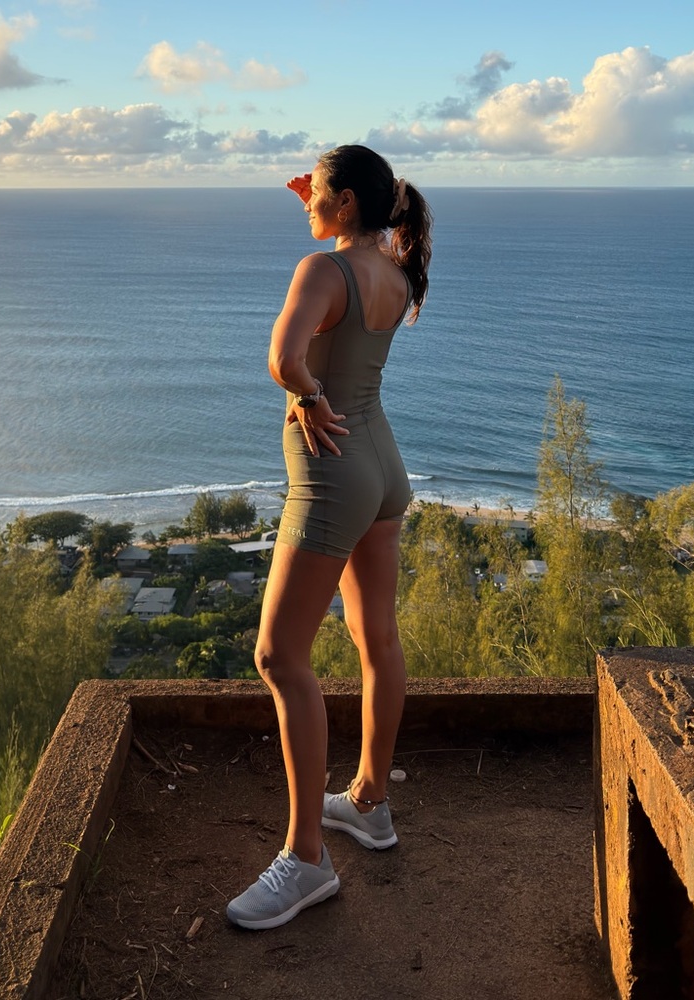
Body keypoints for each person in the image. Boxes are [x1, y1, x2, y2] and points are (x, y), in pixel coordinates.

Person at [226, 145, 432, 930]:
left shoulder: (322, 271)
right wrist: (325, 199)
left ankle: (307, 858)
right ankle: (371, 803)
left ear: (344, 204)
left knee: (280, 656)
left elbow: (282, 358)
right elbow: (351, 238)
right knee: (375, 635)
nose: (306, 203)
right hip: (383, 463)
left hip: (333, 472)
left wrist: (306, 392)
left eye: (316, 195)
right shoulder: (394, 270)